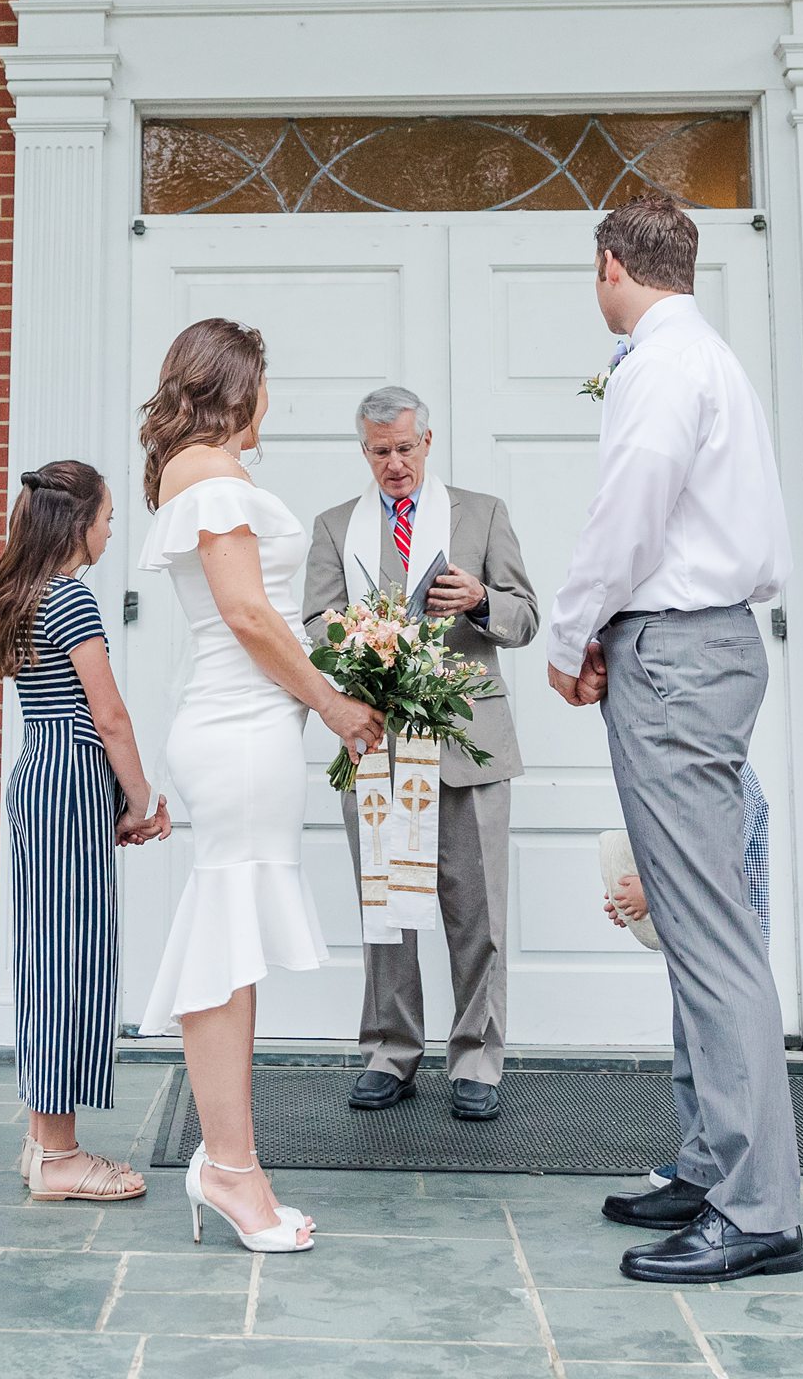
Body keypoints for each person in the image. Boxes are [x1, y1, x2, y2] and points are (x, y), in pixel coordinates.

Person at [546, 193, 803, 1286]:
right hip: (703, 644)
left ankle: (756, 1207)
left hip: (678, 653)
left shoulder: (655, 363)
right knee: (705, 918)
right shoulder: (710, 358)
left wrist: (570, 633)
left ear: (612, 263)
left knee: (708, 929)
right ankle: (709, 1162)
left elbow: (629, 511)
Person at [137, 317, 383, 1254]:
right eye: (266, 380)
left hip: (247, 727)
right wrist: (332, 703)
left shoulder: (197, 470)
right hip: (242, 729)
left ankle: (234, 1162)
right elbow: (245, 611)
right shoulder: (208, 474)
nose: (271, 397)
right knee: (224, 944)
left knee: (233, 946)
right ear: (239, 385)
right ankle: (231, 1168)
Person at [300, 384, 537, 1124]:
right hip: (378, 745)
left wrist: (480, 601)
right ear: (363, 452)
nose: (395, 464)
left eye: (405, 449)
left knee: (479, 915)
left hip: (467, 743)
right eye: (380, 452)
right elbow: (312, 619)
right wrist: (353, 636)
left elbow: (527, 617)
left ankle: (476, 1058)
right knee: (387, 911)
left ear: (428, 444)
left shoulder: (483, 513)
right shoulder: (335, 526)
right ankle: (390, 1052)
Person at [0, 459, 173, 1204]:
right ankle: (61, 1157)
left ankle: (42, 1139)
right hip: (72, 773)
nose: (111, 529)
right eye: (107, 517)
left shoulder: (27, 597)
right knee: (71, 959)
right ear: (79, 523)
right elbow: (110, 715)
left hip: (38, 771)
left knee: (44, 957)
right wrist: (139, 799)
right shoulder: (73, 600)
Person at [605, 761, 771, 1191]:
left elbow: (713, 859)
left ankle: (720, 1171)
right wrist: (637, 894)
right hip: (697, 943)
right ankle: (699, 1162)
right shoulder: (688, 769)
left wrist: (652, 892)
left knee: (720, 1064)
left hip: (723, 952)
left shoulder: (725, 775)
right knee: (693, 1060)